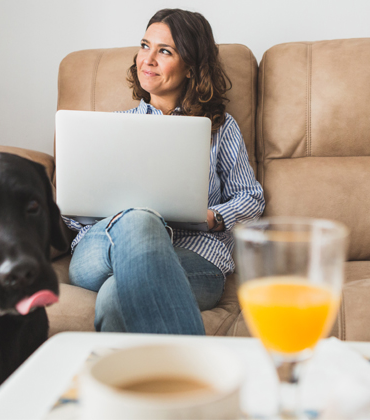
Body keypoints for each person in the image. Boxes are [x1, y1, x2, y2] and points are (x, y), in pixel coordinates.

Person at [63, 8, 264, 335]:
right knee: (140, 218)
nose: (148, 59)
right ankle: (197, 372)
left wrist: (213, 216)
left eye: (165, 51)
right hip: (102, 251)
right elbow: (71, 213)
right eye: (145, 46)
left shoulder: (219, 128)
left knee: (116, 295)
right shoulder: (108, 127)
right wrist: (109, 216)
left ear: (190, 68)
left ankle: (133, 384)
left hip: (194, 254)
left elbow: (251, 198)